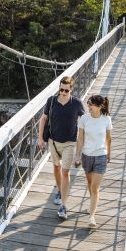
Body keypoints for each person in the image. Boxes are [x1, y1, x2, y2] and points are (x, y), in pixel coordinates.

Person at [37, 76, 84, 220]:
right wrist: (40, 139)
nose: (63, 92)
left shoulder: (76, 103)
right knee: (56, 168)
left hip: (70, 142)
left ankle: (63, 206)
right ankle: (59, 189)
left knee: (65, 172)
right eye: (61, 89)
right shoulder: (51, 101)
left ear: (71, 89)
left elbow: (84, 122)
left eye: (66, 90)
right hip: (53, 141)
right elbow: (43, 119)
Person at [75, 94, 112, 229]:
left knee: (95, 188)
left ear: (99, 106)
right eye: (88, 104)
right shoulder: (84, 119)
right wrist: (77, 155)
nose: (88, 106)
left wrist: (109, 154)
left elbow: (108, 138)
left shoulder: (106, 119)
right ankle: (92, 204)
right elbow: (80, 139)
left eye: (90, 104)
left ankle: (92, 216)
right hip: (87, 155)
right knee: (90, 183)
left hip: (101, 155)